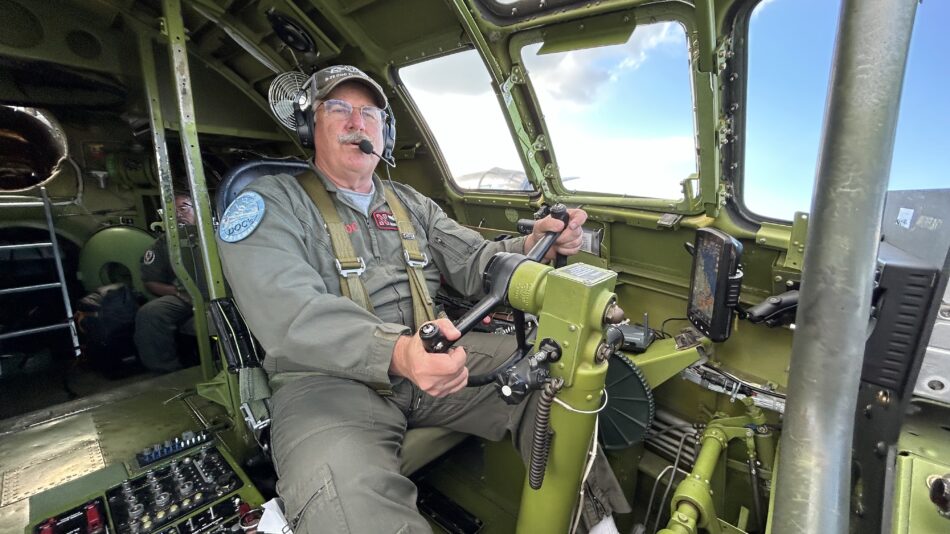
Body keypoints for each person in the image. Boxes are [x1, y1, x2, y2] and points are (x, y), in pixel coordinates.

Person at [216, 65, 629, 533]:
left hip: (431, 350)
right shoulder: (267, 204)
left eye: (370, 112)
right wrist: (396, 352)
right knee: (345, 496)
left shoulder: (410, 203)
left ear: (384, 131)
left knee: (559, 381)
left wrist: (537, 246)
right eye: (338, 109)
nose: (357, 122)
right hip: (326, 382)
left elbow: (477, 261)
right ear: (312, 125)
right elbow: (287, 312)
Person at [134, 192, 196, 373]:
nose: (178, 215)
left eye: (183, 208)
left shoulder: (218, 233)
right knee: (150, 313)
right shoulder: (162, 245)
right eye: (171, 212)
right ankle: (167, 371)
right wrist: (180, 293)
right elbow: (151, 281)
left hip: (225, 291)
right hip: (185, 295)